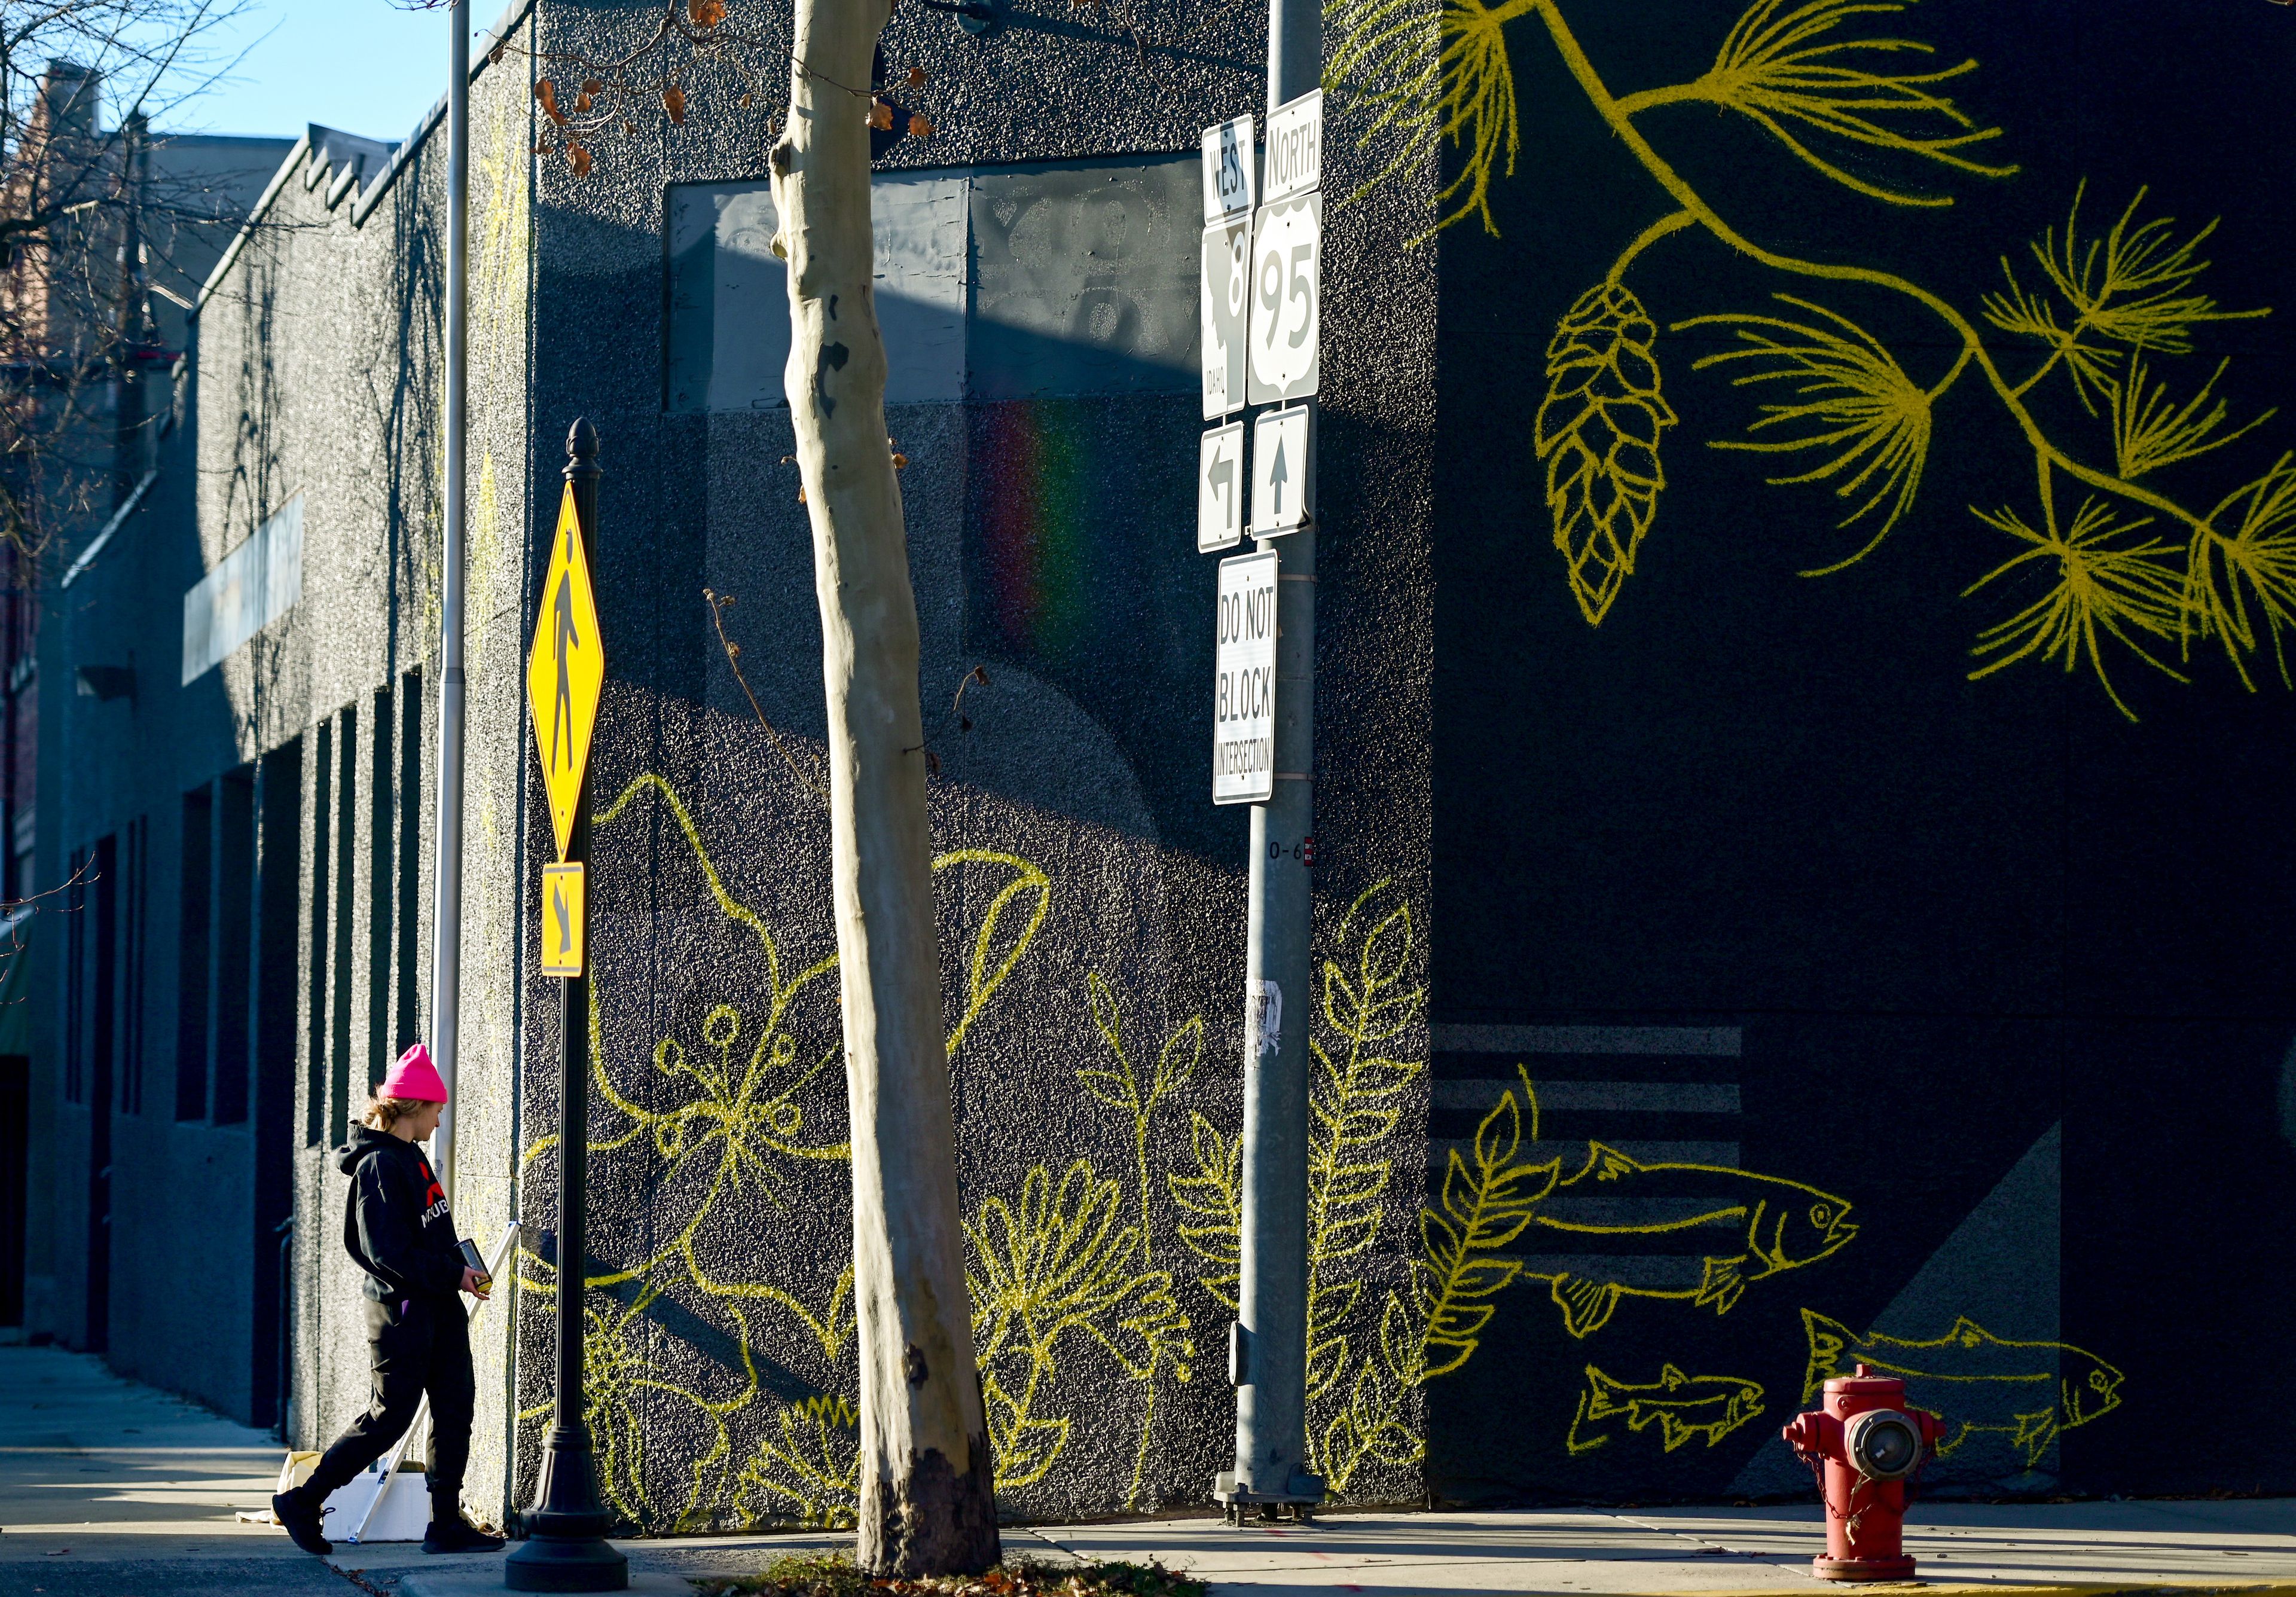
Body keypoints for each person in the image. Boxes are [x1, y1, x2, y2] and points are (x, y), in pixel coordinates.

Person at [271, 1043, 504, 1558]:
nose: (440, 1119)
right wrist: (451, 1271)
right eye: (437, 1109)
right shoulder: (380, 1164)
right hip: (401, 1312)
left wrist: (457, 1270)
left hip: (438, 1304)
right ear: (415, 1106)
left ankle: (445, 1523)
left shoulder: (409, 1158)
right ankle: (304, 1500)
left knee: (453, 1406)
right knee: (390, 1416)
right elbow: (388, 1252)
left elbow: (427, 1233)